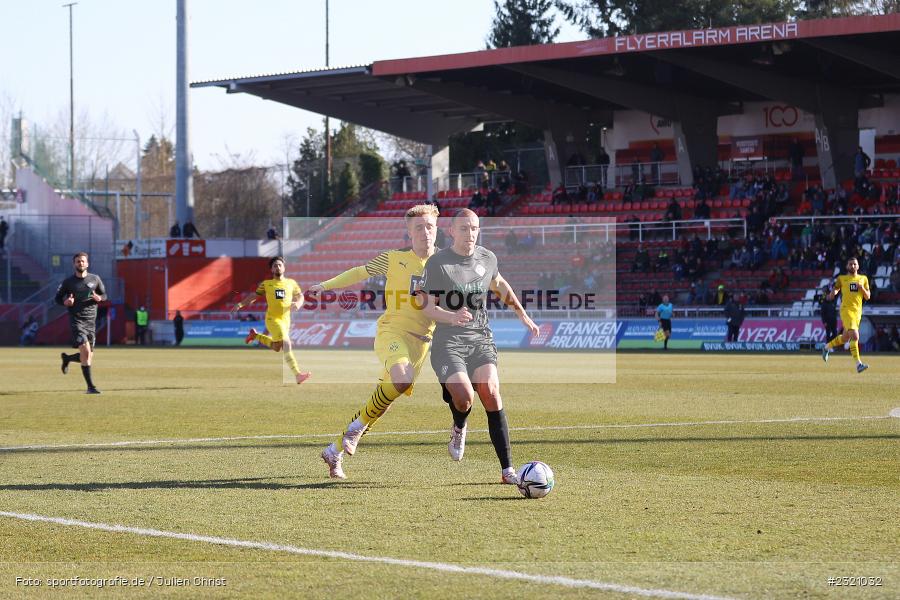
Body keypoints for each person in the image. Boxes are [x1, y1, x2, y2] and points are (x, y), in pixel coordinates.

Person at [311, 205, 439, 479]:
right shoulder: (393, 258)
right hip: (393, 332)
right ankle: (354, 431)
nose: (425, 232)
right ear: (409, 233)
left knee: (383, 402)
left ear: (437, 229)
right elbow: (360, 272)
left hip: (422, 344)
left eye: (430, 226)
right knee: (400, 380)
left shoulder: (447, 263)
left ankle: (334, 451)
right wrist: (325, 286)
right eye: (419, 228)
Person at [421, 208, 540, 485]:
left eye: (474, 228)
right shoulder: (438, 263)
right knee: (464, 398)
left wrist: (523, 315)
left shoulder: (487, 258)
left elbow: (500, 285)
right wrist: (451, 316)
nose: (470, 233)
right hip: (448, 342)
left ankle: (508, 470)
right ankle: (459, 425)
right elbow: (425, 306)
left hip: (480, 339)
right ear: (451, 231)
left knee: (492, 393)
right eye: (464, 228)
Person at [232, 256, 311, 384]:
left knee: (276, 347)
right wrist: (240, 304)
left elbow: (300, 296)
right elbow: (254, 296)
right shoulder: (267, 284)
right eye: (275, 265)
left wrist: (298, 303)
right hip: (272, 318)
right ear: (271, 270)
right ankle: (298, 374)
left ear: (284, 268)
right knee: (286, 343)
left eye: (280, 265)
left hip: (286, 320)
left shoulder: (291, 283)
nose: (277, 267)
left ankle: (255, 336)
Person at [55, 252, 106, 394]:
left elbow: (104, 294)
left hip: (91, 322)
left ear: (87, 263)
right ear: (74, 264)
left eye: (83, 261)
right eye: (78, 261)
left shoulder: (95, 279)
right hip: (77, 321)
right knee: (86, 351)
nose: (81, 263)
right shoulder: (68, 282)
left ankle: (67, 358)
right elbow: (57, 298)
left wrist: (99, 298)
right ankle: (91, 387)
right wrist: (66, 302)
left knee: (88, 356)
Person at [821, 257, 870, 372]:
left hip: (858, 312)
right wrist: (832, 294)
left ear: (858, 266)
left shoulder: (863, 279)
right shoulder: (842, 278)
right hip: (846, 310)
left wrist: (862, 288)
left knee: (845, 338)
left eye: (854, 264)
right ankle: (859, 364)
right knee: (855, 336)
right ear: (847, 266)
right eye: (850, 264)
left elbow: (868, 296)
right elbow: (835, 290)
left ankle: (826, 347)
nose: (852, 266)